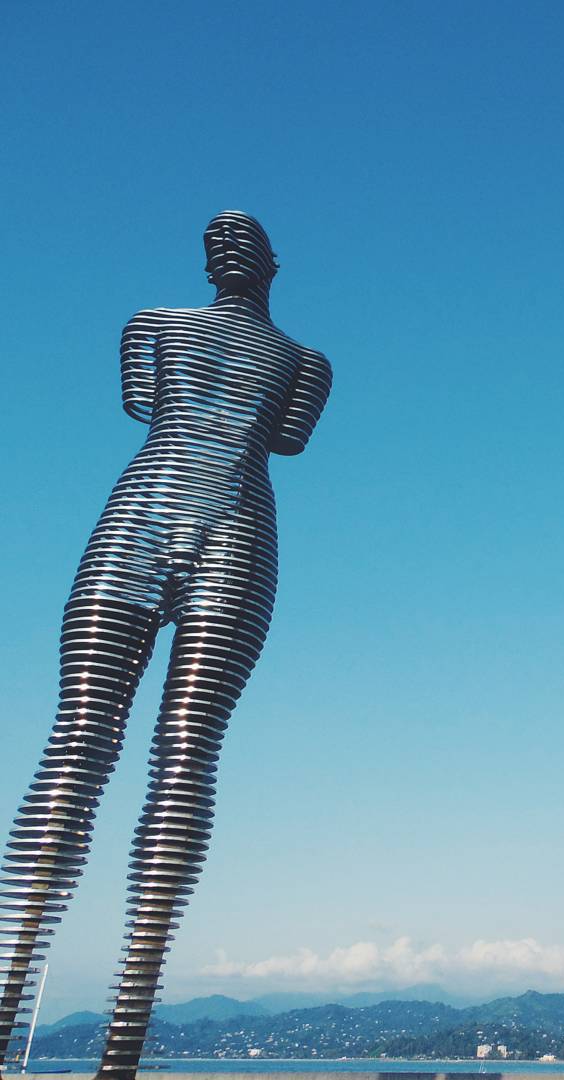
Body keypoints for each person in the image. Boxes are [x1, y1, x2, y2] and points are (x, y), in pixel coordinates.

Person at [0, 212, 331, 1080]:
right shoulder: (156, 327)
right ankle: (22, 1016)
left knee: (177, 746)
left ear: (270, 262)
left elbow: (178, 411)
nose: (227, 249)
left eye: (240, 241)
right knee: (88, 734)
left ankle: (118, 1054)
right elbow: (272, 435)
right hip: (167, 513)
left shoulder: (301, 361)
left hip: (205, 522)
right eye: (218, 240)